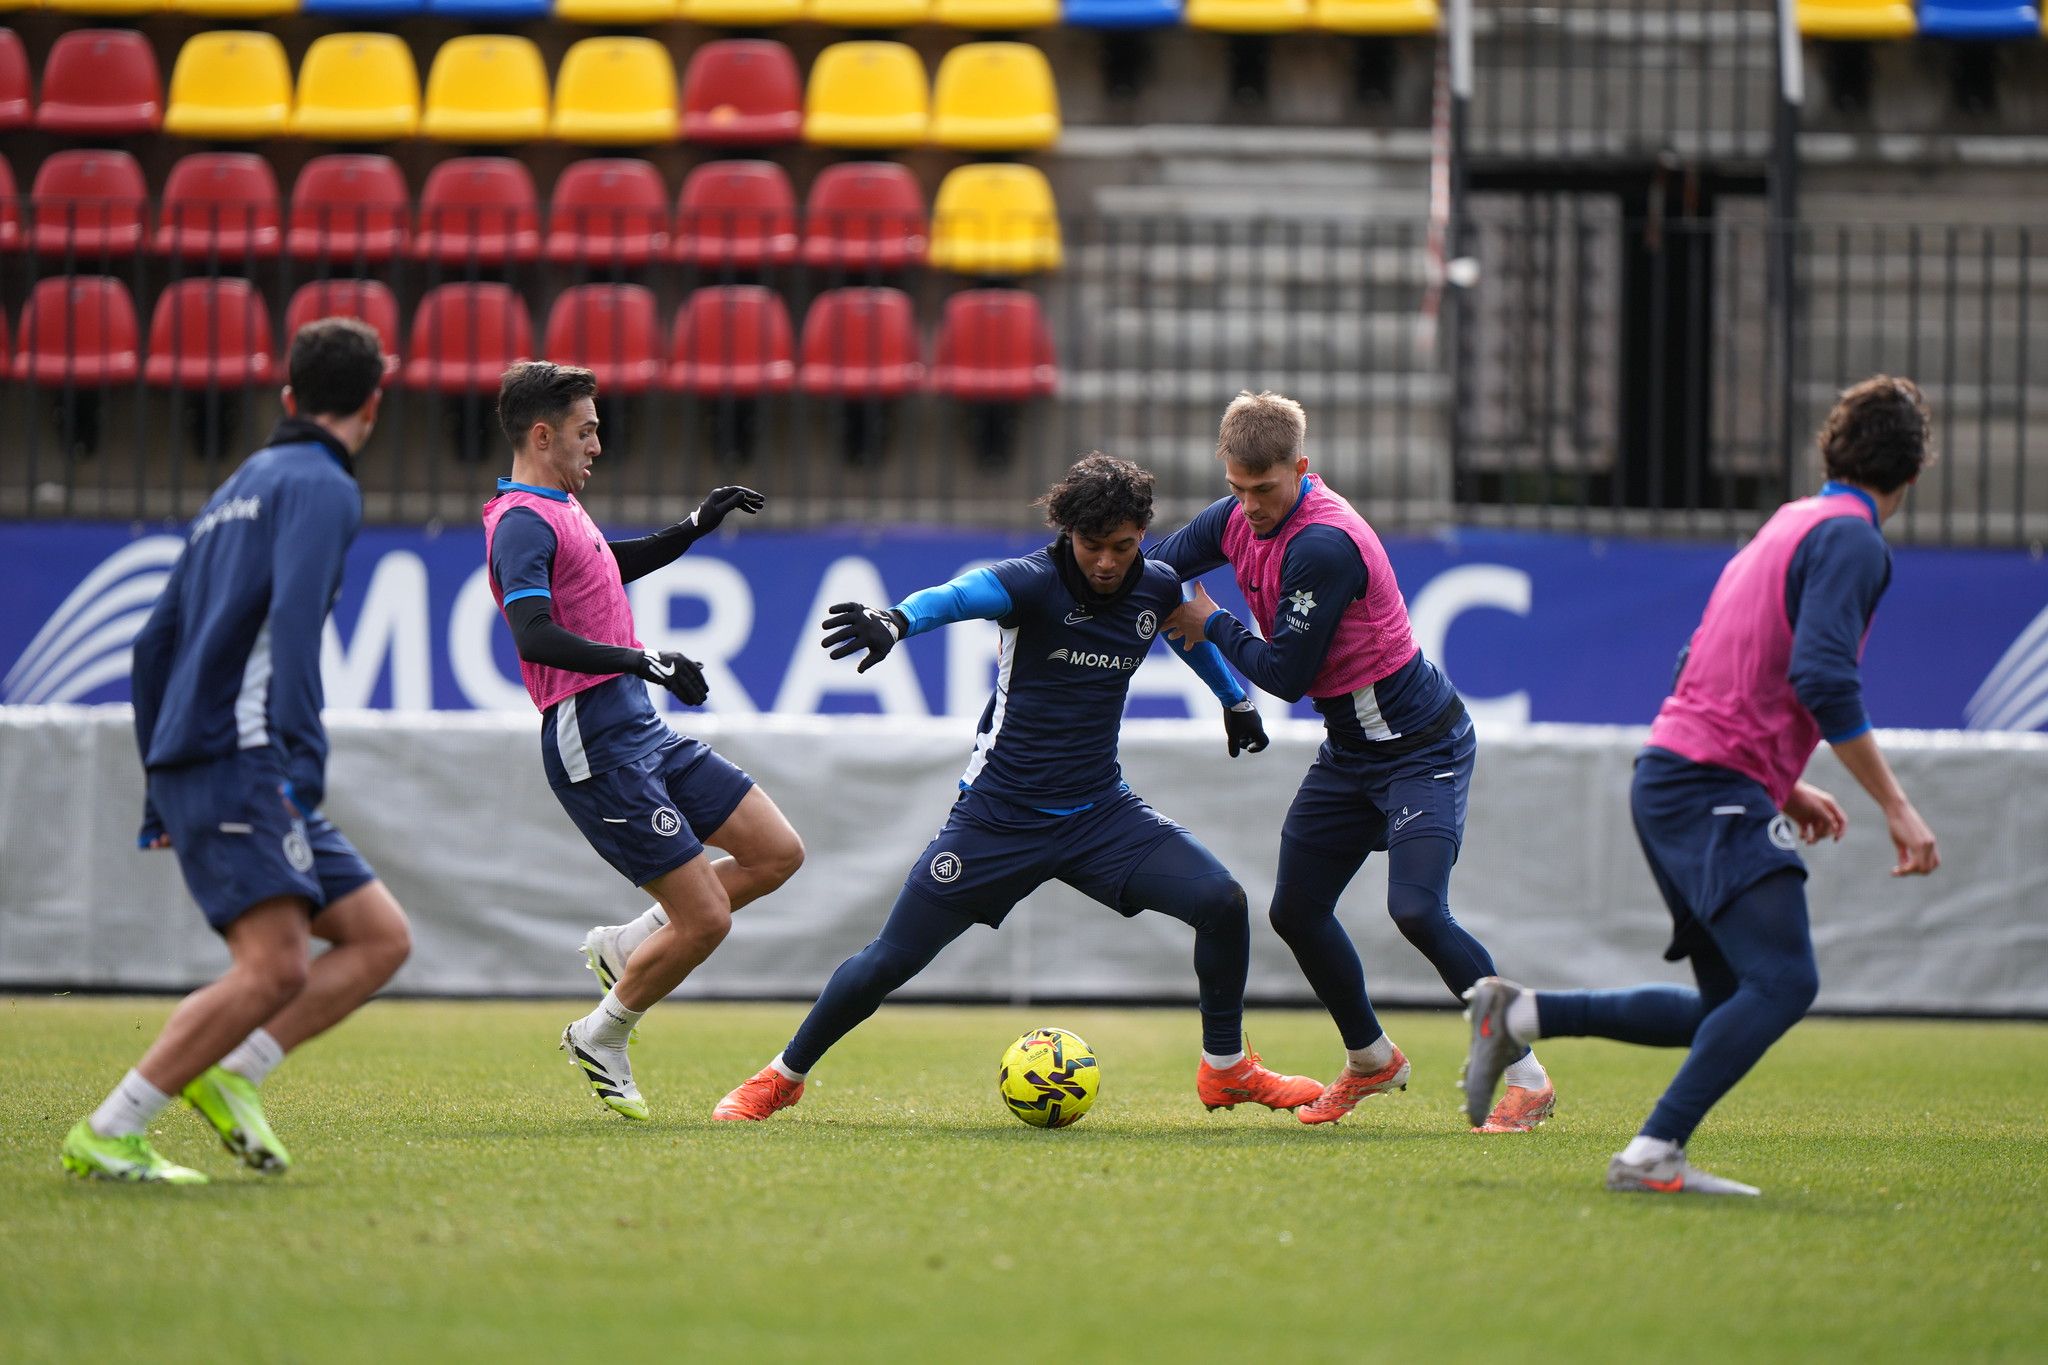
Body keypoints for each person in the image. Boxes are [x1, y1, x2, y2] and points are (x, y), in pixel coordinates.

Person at [713, 453, 1322, 1121]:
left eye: (1124, 546)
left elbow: (1189, 629)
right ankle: (783, 1075)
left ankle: (1226, 1068)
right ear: (1068, 533)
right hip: (997, 818)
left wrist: (1234, 700)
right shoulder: (1029, 583)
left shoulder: (1159, 585)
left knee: (1222, 900)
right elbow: (957, 595)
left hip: (1100, 815)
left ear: (1143, 534)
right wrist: (895, 620)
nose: (1108, 562)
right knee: (890, 959)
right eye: (1094, 546)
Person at [1461, 376, 1942, 1197]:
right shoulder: (1855, 539)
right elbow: (1824, 675)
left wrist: (1782, 787)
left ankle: (1522, 1016)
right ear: (1914, 469)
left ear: (1832, 446)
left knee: (1724, 1003)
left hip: (1678, 772)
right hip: (1708, 781)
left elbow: (1702, 659)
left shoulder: (1787, 523)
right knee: (1786, 981)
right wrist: (1895, 804)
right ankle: (1653, 1151)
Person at [61, 318, 414, 1183]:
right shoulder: (323, 485)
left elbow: (151, 644)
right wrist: (304, 761)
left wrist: (157, 783)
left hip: (205, 752)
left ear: (288, 397)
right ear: (375, 400)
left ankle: (234, 1072)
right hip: (245, 754)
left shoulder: (239, 483)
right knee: (275, 967)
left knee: (378, 936)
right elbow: (296, 626)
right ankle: (111, 1128)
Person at [1154, 390, 1553, 1131]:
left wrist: (1213, 623)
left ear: (1300, 468)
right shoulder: (1237, 515)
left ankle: (1528, 1075)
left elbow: (1288, 674)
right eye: (1236, 488)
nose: (1249, 507)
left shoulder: (1322, 543)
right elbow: (1157, 567)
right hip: (1351, 751)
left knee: (1416, 909)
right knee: (1296, 911)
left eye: (1264, 489)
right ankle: (1372, 1058)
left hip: (1422, 746)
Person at [482, 361, 804, 1122]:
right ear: (542, 433)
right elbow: (534, 632)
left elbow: (603, 566)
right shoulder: (522, 522)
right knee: (706, 920)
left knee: (775, 851)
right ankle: (603, 1032)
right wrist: (644, 659)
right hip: (590, 735)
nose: (598, 443)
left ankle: (629, 941)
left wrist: (696, 525)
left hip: (638, 725)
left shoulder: (558, 509)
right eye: (586, 430)